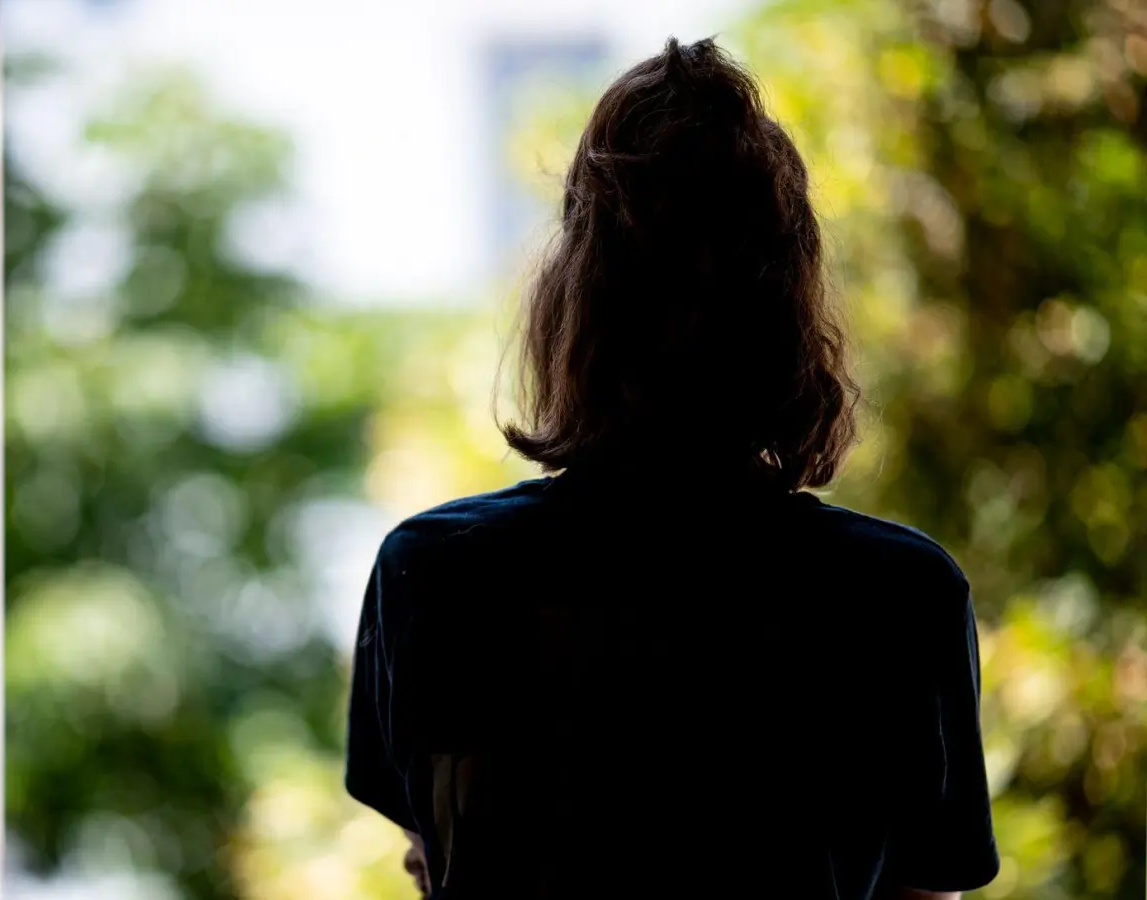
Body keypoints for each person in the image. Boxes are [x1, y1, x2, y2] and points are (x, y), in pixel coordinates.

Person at [344, 37, 1001, 900]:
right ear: (787, 304)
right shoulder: (899, 596)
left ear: (572, 301)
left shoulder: (433, 575)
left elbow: (443, 854)